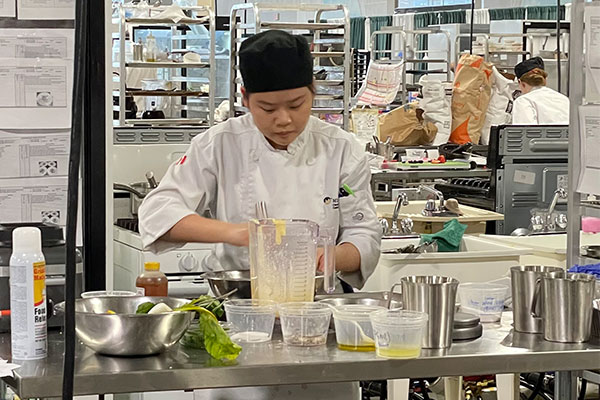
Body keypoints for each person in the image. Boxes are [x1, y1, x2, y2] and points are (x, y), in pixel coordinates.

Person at [138, 30, 381, 290]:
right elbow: (158, 212)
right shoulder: (220, 144)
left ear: (313, 90)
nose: (284, 119)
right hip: (238, 299)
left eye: (296, 105)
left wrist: (330, 257)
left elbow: (364, 234)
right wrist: (239, 234)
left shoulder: (342, 150)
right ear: (245, 98)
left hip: (318, 300)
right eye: (268, 109)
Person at [512, 56, 570, 125]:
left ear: (520, 82)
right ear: (545, 79)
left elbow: (524, 132)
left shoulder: (523, 101)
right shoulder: (564, 99)